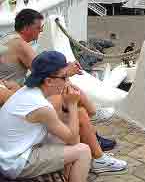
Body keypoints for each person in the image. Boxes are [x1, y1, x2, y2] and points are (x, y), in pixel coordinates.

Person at [0, 9, 117, 153]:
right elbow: (42, 70)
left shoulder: (8, 38)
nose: (40, 32)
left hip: (15, 93)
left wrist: (65, 71)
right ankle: (93, 121)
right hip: (15, 96)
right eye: (38, 28)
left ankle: (92, 126)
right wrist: (68, 71)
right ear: (26, 28)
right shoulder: (20, 45)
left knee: (68, 90)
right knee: (69, 92)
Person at [0, 51, 91, 181]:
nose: (67, 82)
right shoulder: (42, 107)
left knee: (65, 140)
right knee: (83, 151)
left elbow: (67, 132)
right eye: (64, 77)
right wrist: (72, 105)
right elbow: (72, 138)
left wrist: (67, 106)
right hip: (15, 163)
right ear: (48, 81)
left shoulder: (27, 91)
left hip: (8, 155)